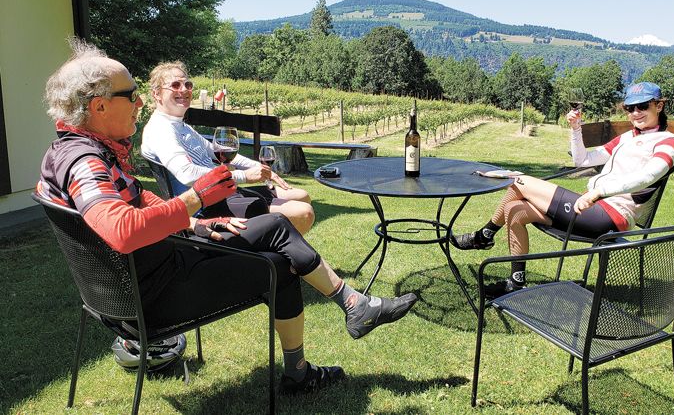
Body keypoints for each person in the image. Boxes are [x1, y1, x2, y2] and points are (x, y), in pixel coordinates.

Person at [37, 40, 417, 395]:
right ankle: (312, 357)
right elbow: (122, 230)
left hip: (143, 280)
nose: (138, 103)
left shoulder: (76, 151)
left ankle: (352, 306)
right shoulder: (85, 162)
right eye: (130, 95)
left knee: (275, 226)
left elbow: (142, 203)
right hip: (153, 296)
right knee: (279, 265)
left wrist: (197, 222)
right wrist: (196, 199)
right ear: (98, 106)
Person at [451, 82, 674, 298]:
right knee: (515, 209)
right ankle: (516, 282)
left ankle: (484, 235)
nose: (635, 113)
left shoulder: (668, 142)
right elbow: (583, 160)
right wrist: (575, 129)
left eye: (643, 106)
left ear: (659, 105)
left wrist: (600, 192)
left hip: (610, 217)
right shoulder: (627, 138)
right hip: (590, 209)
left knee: (517, 180)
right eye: (630, 108)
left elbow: (648, 175)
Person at [141, 61, 315, 234]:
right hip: (207, 205)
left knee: (302, 195)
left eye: (188, 84)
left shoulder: (181, 125)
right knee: (303, 213)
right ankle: (275, 250)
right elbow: (187, 174)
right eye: (175, 85)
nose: (184, 89)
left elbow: (217, 152)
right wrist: (243, 176)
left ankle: (283, 247)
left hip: (223, 192)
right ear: (157, 94)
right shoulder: (161, 129)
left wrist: (257, 167)